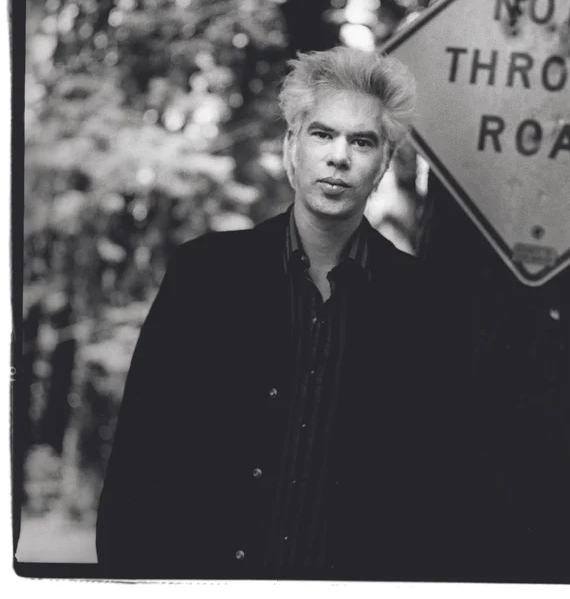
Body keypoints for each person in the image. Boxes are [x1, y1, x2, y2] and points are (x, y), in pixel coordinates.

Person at [95, 46, 465, 581]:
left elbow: (436, 497)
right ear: (292, 146)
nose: (339, 157)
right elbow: (138, 464)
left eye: (362, 141)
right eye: (322, 134)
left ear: (384, 162)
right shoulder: (205, 276)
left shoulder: (424, 305)